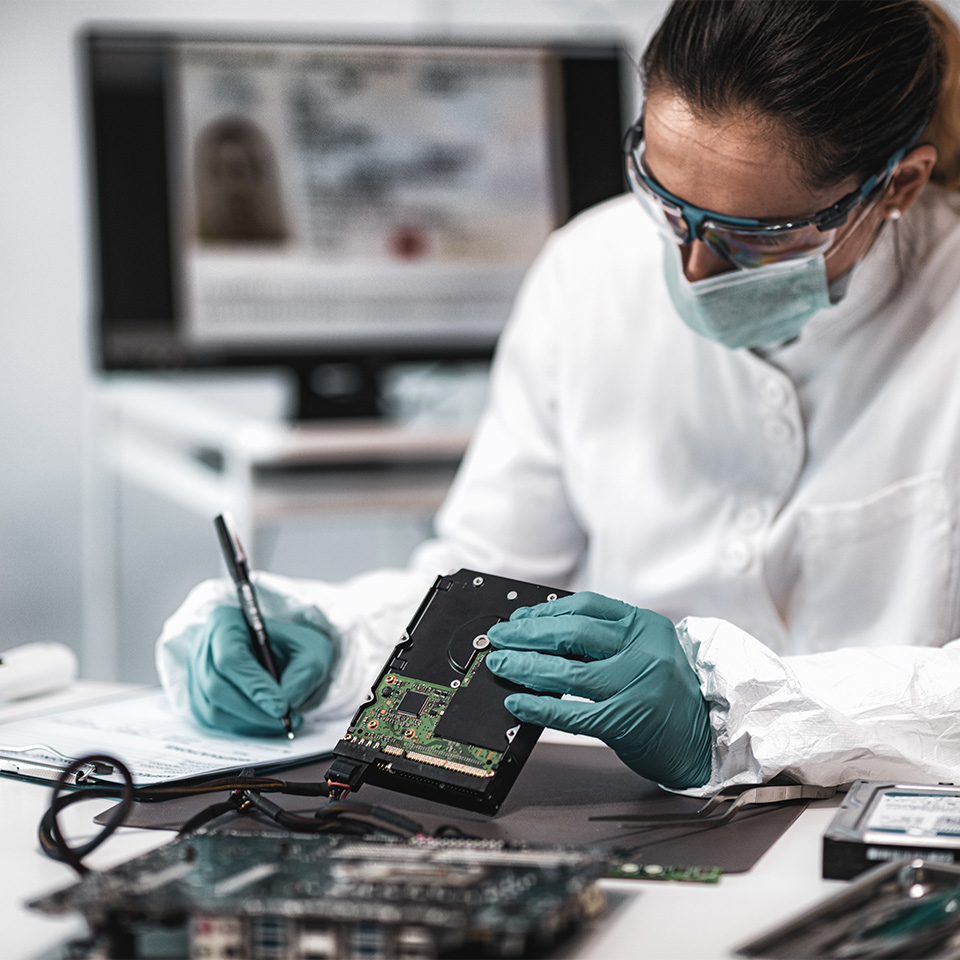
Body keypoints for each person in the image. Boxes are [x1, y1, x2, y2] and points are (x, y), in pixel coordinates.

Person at [158, 0, 960, 794]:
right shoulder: (588, 273)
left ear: (897, 187)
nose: (690, 269)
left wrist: (727, 715)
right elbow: (491, 586)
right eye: (665, 199)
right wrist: (332, 639)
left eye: (751, 236)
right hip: (632, 814)